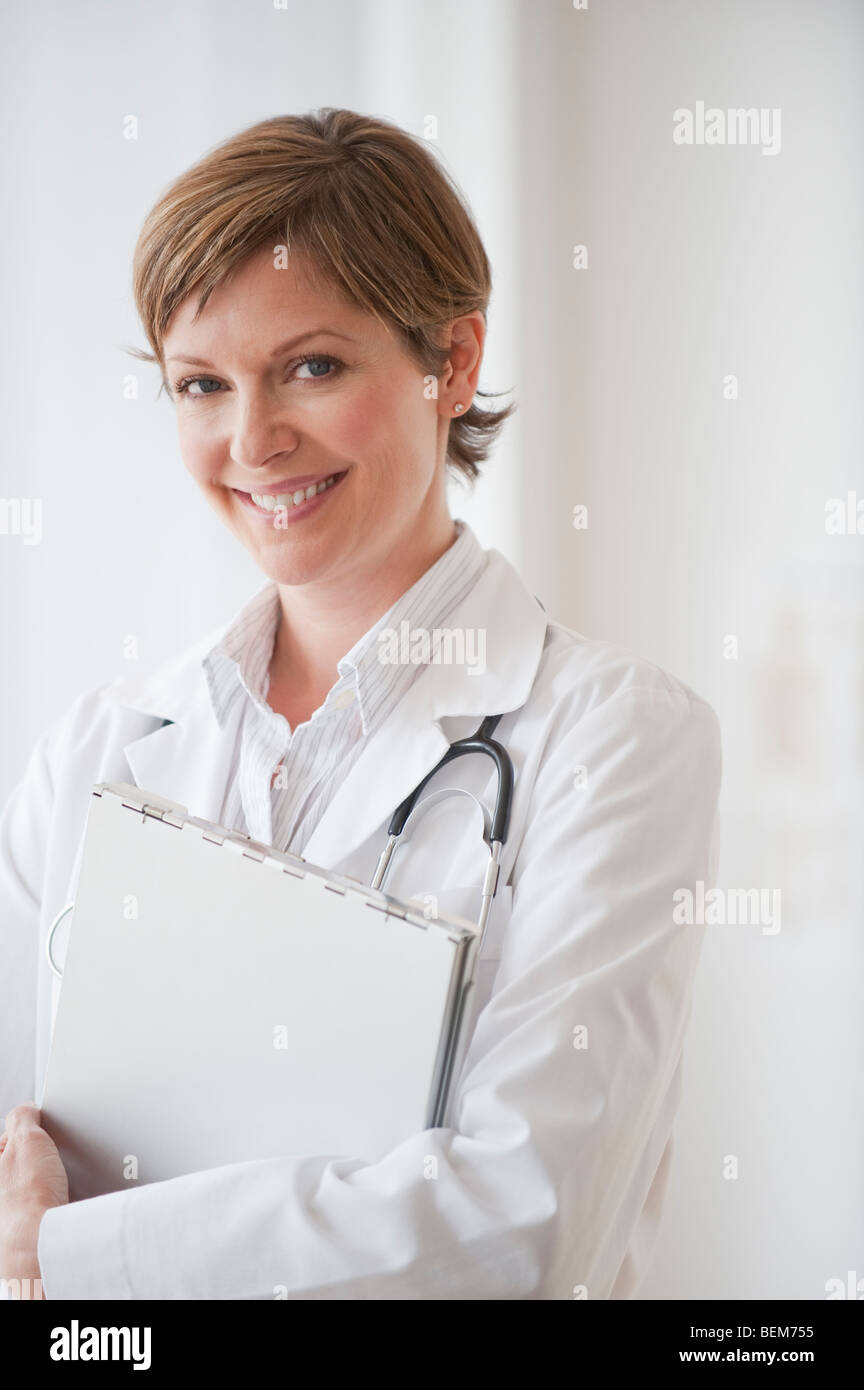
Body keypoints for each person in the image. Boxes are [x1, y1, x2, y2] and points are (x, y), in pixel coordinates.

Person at [0, 108, 721, 1300]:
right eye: (201, 384)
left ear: (454, 360)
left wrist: (78, 1257)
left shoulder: (617, 739)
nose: (252, 439)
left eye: (313, 366)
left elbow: (519, 1231)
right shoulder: (100, 747)